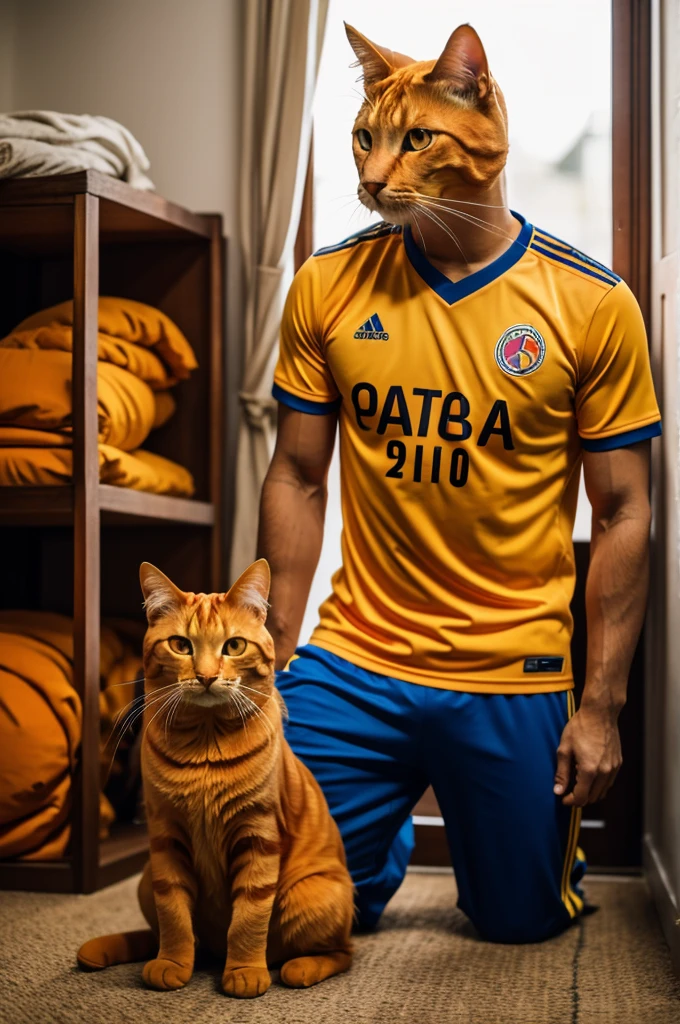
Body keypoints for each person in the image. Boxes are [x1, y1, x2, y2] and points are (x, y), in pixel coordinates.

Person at [256, 23, 661, 943]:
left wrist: (600, 707)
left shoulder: (594, 304)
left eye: (410, 140)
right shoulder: (326, 285)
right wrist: (274, 646)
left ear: (482, 107)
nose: (375, 170)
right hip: (360, 654)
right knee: (288, 913)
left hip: (511, 665)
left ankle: (482, 830)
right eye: (368, 140)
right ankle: (378, 827)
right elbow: (296, 472)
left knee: (520, 924)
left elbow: (628, 510)